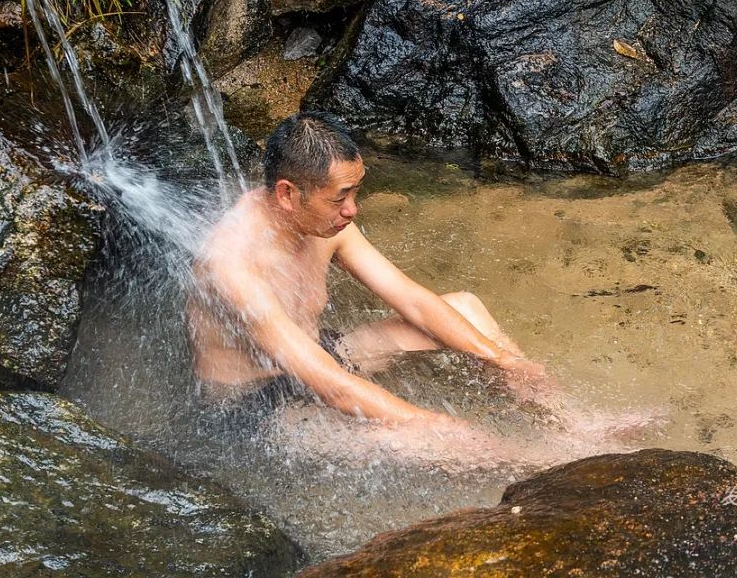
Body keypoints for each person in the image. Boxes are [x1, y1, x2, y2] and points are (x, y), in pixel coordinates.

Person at [187, 111, 547, 428]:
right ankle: (535, 475)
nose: (352, 210)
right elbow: (334, 388)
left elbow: (412, 301)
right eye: (340, 197)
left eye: (356, 192)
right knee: (428, 441)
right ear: (287, 194)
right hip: (256, 407)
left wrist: (502, 361)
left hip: (319, 357)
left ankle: (565, 423)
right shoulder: (232, 264)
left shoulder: (322, 222)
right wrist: (435, 425)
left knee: (466, 309)